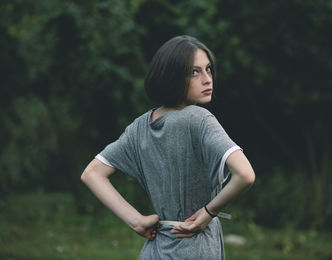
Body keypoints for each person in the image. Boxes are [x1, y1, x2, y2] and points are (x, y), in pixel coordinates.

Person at [81, 35, 255, 259]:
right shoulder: (198, 118)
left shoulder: (140, 127)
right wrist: (208, 213)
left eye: (208, 69)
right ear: (172, 76)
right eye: (194, 72)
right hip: (195, 249)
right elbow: (245, 175)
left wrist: (137, 221)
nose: (207, 79)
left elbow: (91, 173)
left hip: (155, 250)